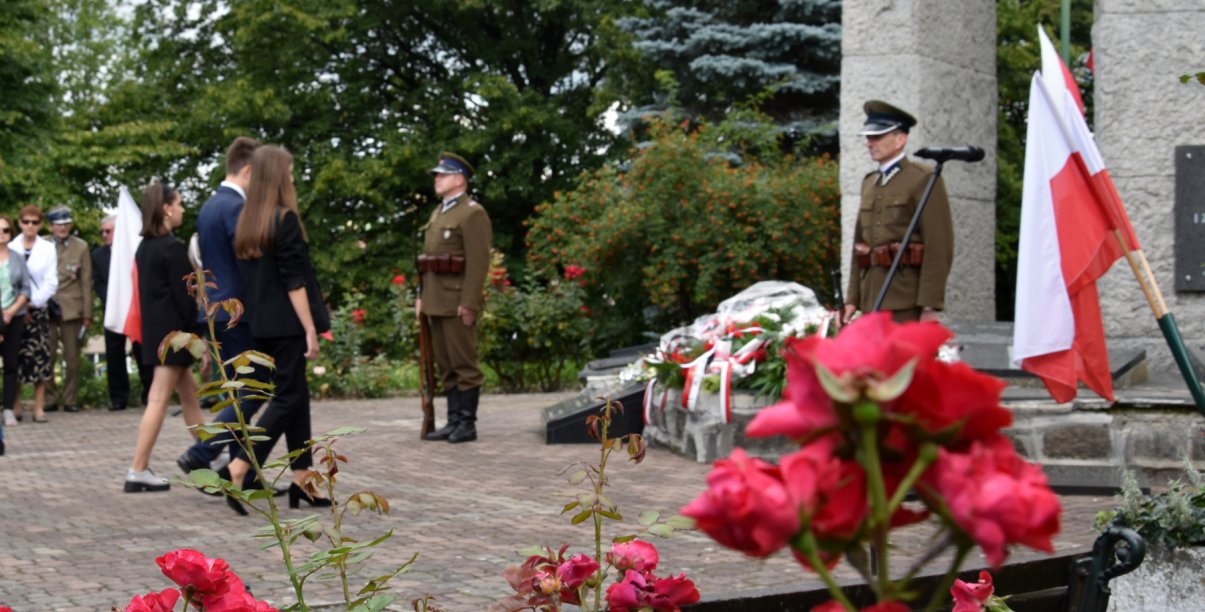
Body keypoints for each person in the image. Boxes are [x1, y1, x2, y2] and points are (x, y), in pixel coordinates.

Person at [222, 145, 330, 514]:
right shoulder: (283, 219)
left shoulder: (248, 222)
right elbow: (293, 282)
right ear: (277, 176)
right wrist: (310, 329)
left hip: (262, 324)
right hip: (286, 325)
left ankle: (303, 480)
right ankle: (239, 467)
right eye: (291, 171)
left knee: (296, 397)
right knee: (286, 399)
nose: (294, 177)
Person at [176, 136, 268, 475]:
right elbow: (247, 260)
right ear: (247, 170)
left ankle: (239, 473)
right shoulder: (236, 207)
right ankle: (202, 452)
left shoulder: (210, 205)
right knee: (255, 390)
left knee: (237, 394)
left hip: (215, 310)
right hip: (237, 311)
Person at [841, 100, 954, 325]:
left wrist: (930, 305)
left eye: (877, 137)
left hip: (906, 300)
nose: (869, 143)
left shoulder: (923, 178)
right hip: (872, 298)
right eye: (868, 137)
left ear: (900, 139)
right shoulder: (870, 183)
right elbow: (860, 247)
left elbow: (939, 245)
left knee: (906, 361)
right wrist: (853, 298)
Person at [124, 182, 205, 493]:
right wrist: (198, 336)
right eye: (180, 203)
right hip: (175, 336)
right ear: (167, 208)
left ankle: (207, 453)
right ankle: (137, 469)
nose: (183, 209)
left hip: (158, 335)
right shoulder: (172, 247)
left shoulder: (145, 247)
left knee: (189, 396)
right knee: (158, 399)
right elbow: (184, 300)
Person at [418, 152, 491, 444]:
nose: (437, 179)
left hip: (457, 302)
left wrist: (469, 303)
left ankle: (467, 423)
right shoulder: (439, 212)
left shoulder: (473, 213)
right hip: (435, 300)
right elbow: (428, 262)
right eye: (437, 175)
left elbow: (478, 263)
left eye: (442, 175)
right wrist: (421, 297)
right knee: (446, 364)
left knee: (464, 365)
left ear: (459, 179)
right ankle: (452, 421)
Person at [92, 215, 153, 411]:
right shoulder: (98, 255)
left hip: (134, 310)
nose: (104, 235)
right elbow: (98, 282)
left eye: (108, 231)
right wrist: (111, 299)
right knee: (114, 354)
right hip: (113, 310)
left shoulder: (133, 251)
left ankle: (150, 393)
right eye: (102, 231)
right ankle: (118, 397)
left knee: (142, 352)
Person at [9, 205, 57, 424]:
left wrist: (32, 303)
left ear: (40, 224)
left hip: (38, 309)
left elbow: (51, 281)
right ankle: (15, 404)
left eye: (35, 222)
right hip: (14, 310)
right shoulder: (10, 246)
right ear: (20, 223)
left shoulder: (48, 248)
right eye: (26, 221)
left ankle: (39, 407)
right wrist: (20, 306)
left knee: (40, 359)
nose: (30, 226)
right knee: (15, 358)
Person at [45, 205, 92, 413]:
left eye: (66, 223)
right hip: (45, 304)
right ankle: (49, 398)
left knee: (72, 357)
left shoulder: (80, 246)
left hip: (72, 306)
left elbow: (86, 281)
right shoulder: (42, 244)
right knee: (48, 354)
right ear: (50, 226)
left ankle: (70, 399)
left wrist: (88, 313)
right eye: (58, 224)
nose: (62, 227)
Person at [0, 215, 32, 454]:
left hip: (15, 315)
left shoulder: (18, 258)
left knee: (12, 363)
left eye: (6, 230)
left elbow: (26, 289)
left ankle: (8, 408)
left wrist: (10, 312)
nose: (2, 234)